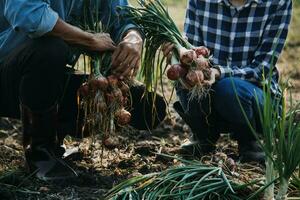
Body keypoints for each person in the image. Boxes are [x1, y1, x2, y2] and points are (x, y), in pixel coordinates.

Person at [0, 0, 156, 181]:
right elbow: (28, 15)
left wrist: (133, 37)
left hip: (39, 78)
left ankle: (55, 137)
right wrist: (89, 39)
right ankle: (40, 155)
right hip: (7, 71)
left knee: (122, 96)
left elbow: (123, 16)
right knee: (50, 49)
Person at [163, 0, 292, 163]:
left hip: (255, 97)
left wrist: (219, 72)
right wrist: (177, 56)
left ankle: (251, 142)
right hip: (210, 89)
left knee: (229, 88)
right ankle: (204, 136)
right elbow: (191, 51)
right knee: (186, 79)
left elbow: (262, 69)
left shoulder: (278, 3)